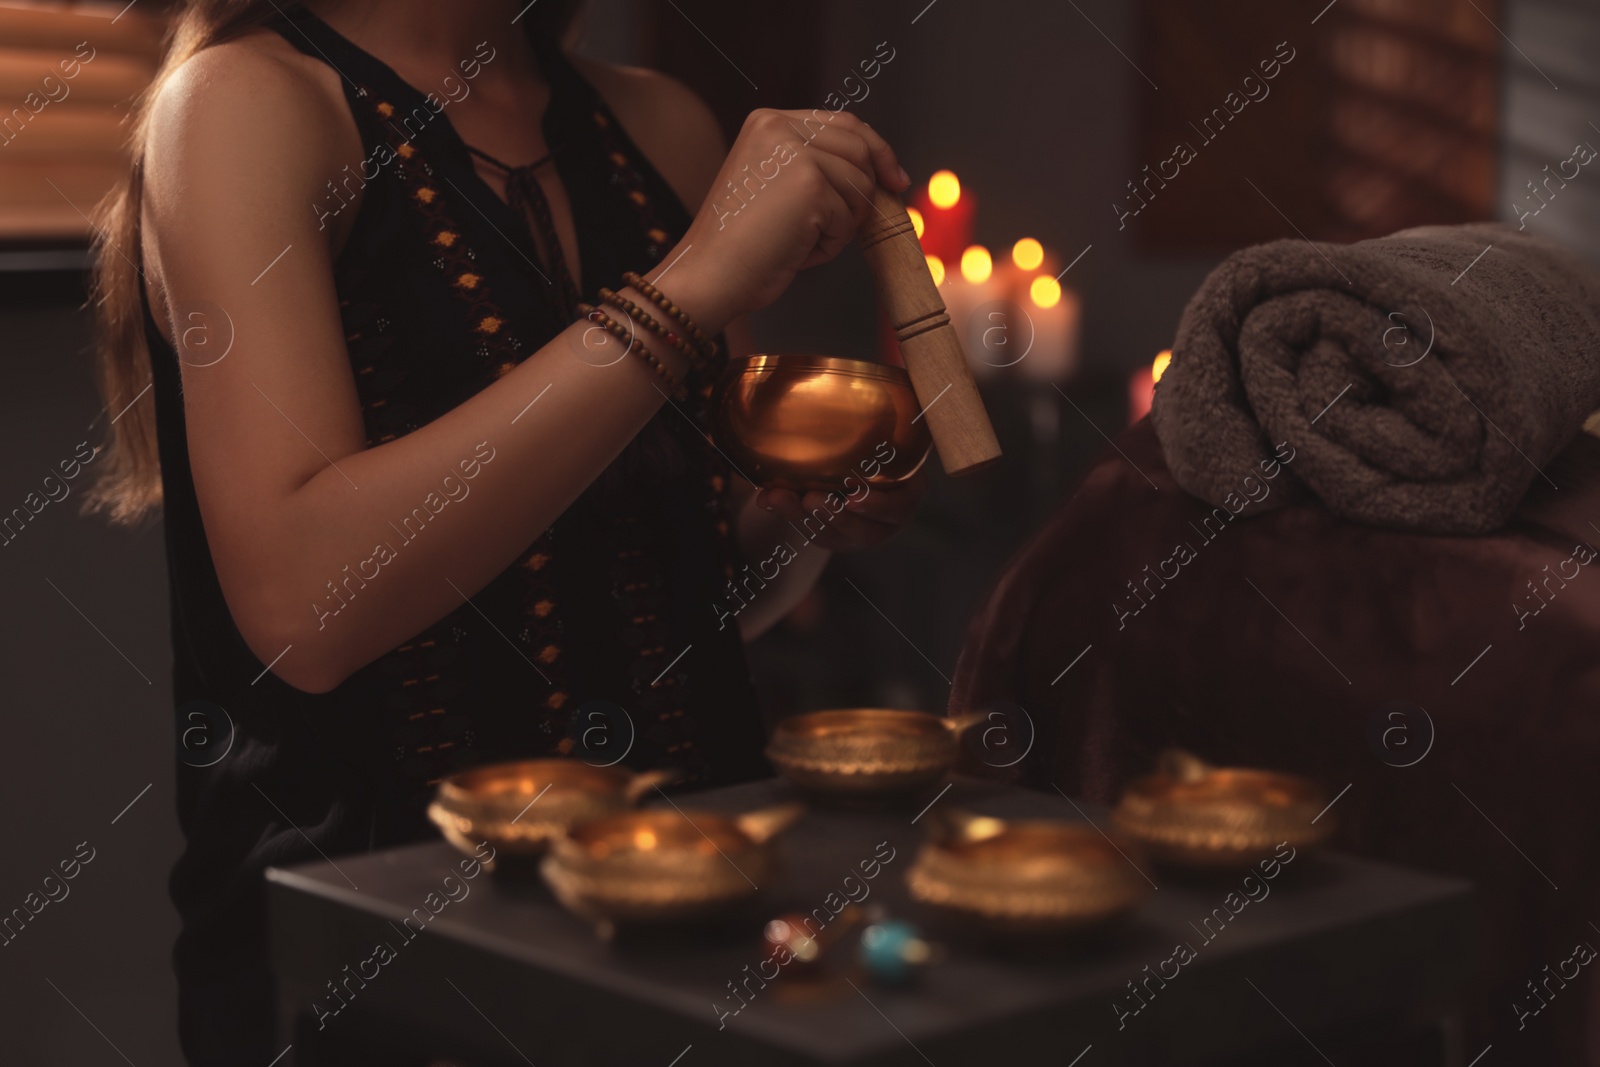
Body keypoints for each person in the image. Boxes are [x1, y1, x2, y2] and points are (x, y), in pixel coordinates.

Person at [84, 1, 920, 1060]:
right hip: (381, 963)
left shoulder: (662, 124)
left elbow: (689, 592)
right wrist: (691, 283)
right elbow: (304, 600)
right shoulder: (242, 106)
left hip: (675, 927)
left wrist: (799, 520)